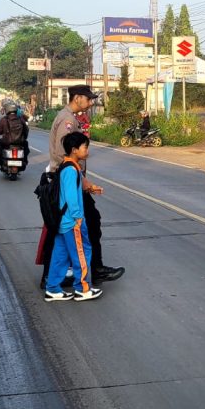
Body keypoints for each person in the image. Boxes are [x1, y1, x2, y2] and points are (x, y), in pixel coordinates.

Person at [42, 84, 124, 288]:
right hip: (68, 182)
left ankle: (55, 277)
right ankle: (91, 271)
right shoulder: (68, 120)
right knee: (83, 225)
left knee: (64, 229)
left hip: (70, 180)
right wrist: (85, 183)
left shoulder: (69, 117)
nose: (90, 103)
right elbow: (66, 157)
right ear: (77, 98)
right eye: (88, 99)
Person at [45, 131, 103, 302]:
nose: (87, 151)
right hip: (72, 221)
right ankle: (83, 288)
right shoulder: (71, 170)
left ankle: (53, 288)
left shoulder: (66, 166)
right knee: (82, 252)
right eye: (85, 147)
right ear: (74, 149)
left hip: (63, 221)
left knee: (60, 255)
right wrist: (78, 218)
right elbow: (71, 197)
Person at [0, 100, 29, 167]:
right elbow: (26, 130)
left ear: (7, 110)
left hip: (7, 142)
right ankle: (25, 160)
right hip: (20, 142)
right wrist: (23, 138)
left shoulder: (4, 120)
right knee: (26, 146)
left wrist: (0, 132)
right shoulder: (21, 119)